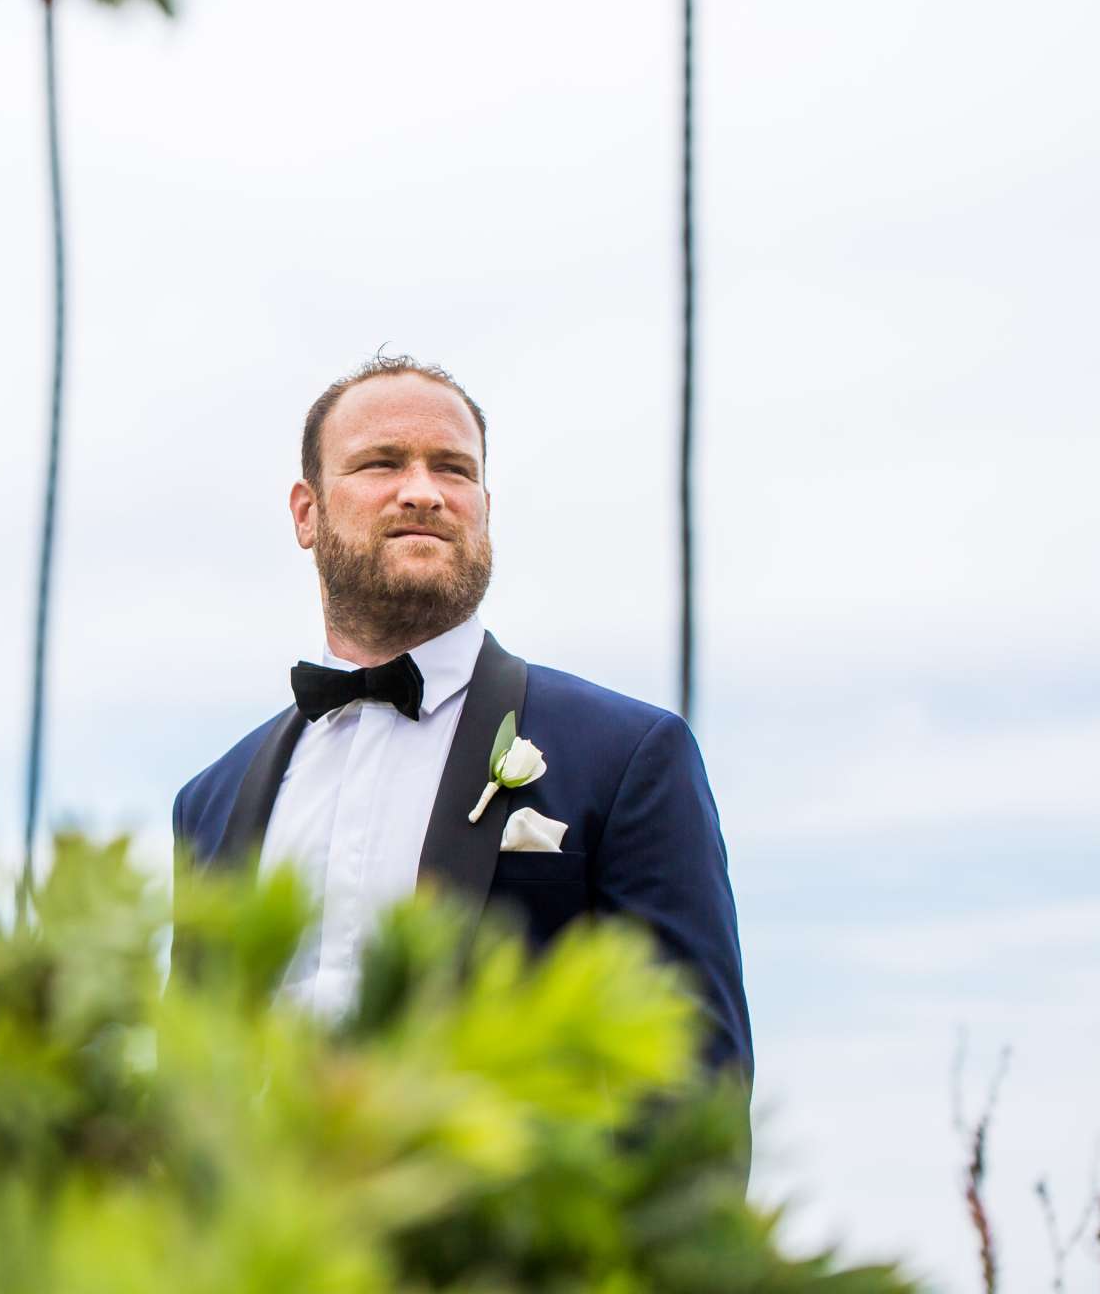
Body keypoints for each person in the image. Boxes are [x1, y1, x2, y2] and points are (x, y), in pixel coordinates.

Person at [171, 354, 752, 1085]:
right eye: (382, 463)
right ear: (306, 512)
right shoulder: (209, 802)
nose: (423, 493)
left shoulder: (629, 756)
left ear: (484, 504)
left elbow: (697, 1079)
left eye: (452, 468)